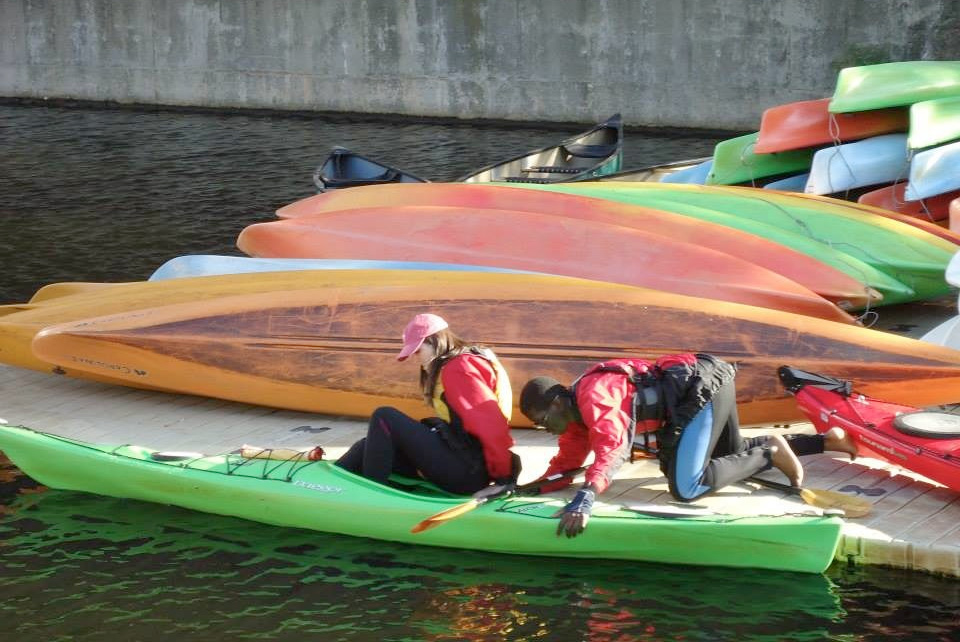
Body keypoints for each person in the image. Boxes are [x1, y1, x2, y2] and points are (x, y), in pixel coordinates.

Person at [518, 353, 858, 538]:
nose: (543, 428)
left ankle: (769, 452)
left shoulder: (593, 395)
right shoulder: (575, 418)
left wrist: (586, 497)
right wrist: (530, 489)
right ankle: (825, 441)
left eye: (542, 420)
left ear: (558, 403)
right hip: (707, 381)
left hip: (700, 391)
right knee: (726, 457)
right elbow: (568, 461)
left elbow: (613, 445)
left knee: (687, 485)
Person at [335, 313, 519, 495]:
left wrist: (503, 479)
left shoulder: (459, 368)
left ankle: (373, 497)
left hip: (468, 473)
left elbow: (491, 425)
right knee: (367, 446)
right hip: (463, 463)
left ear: (435, 341)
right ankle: (327, 485)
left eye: (417, 350)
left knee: (384, 416)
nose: (417, 358)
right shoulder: (457, 364)